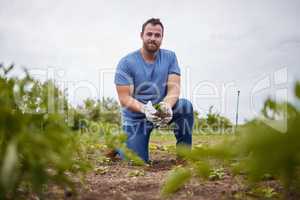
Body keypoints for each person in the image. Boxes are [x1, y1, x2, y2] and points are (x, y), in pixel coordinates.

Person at [114, 18, 194, 163]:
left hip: (161, 111)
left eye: (157, 35)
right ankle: (120, 145)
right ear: (141, 35)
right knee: (138, 162)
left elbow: (174, 89)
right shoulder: (126, 63)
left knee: (185, 106)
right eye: (149, 34)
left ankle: (184, 157)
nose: (153, 38)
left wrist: (166, 106)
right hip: (137, 118)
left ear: (162, 38)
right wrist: (145, 109)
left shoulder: (170, 57)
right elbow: (125, 98)